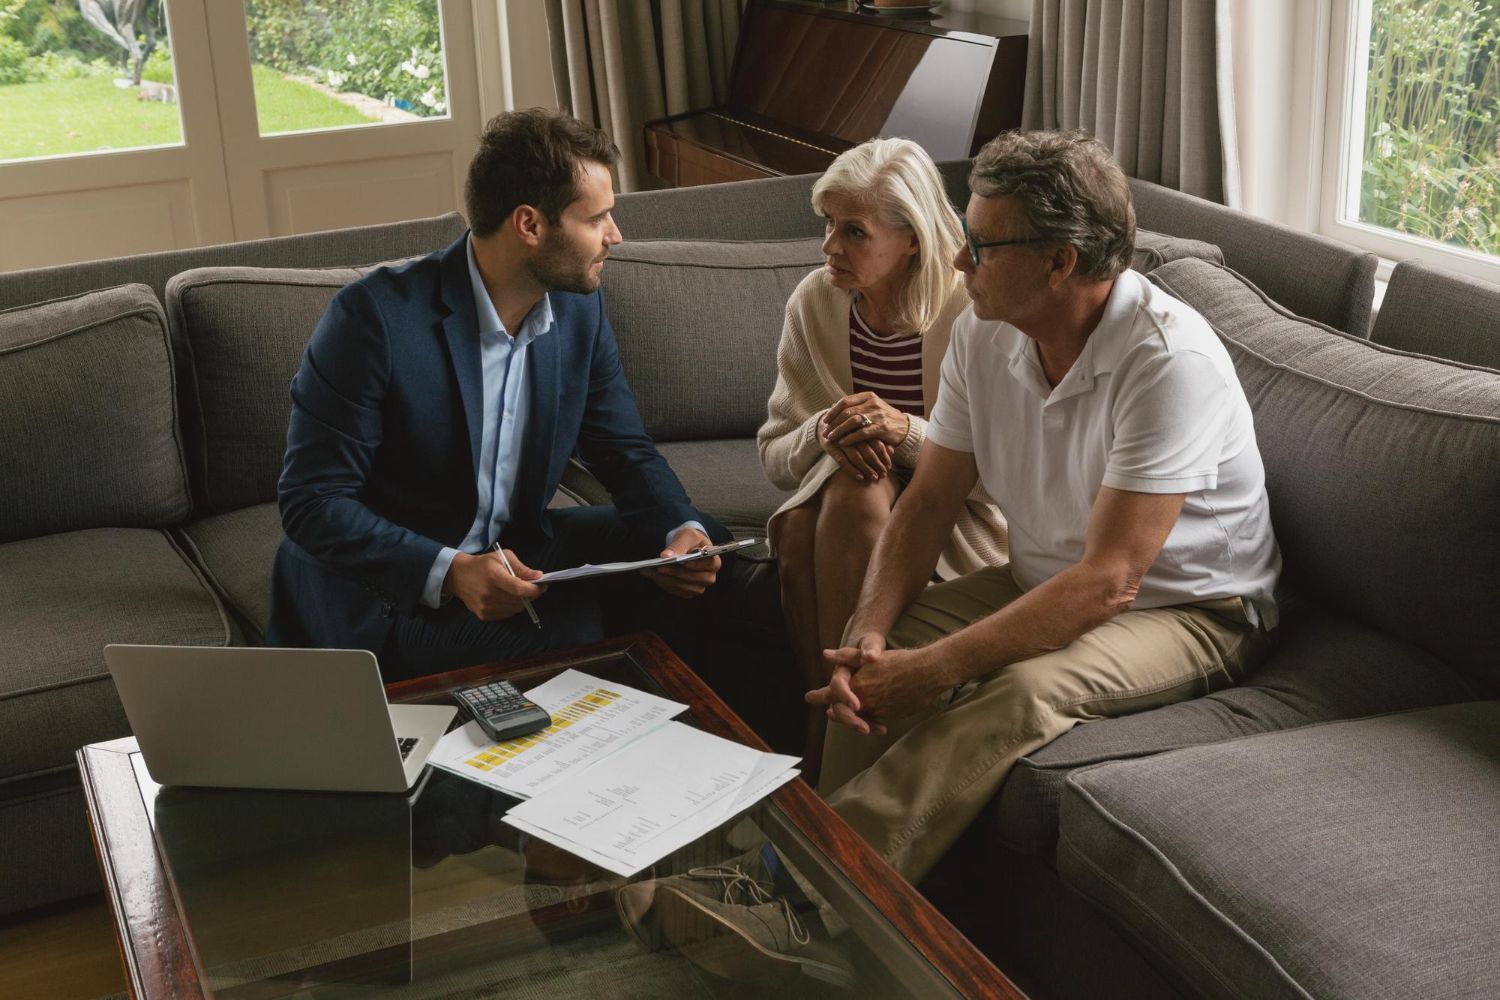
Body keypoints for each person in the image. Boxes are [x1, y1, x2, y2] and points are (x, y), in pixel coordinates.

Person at [619, 130, 1281, 981]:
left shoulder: (1165, 361)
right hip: (1045, 577)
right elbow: (930, 499)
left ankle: (797, 892)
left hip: (1189, 608)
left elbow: (1111, 579)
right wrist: (870, 626)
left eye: (982, 242)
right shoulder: (986, 330)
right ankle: (817, 910)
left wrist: (935, 669)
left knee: (1020, 692)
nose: (959, 257)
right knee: (869, 659)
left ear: (1060, 261)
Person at [266, 109, 729, 680]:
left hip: (515, 549)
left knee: (706, 552)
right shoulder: (375, 318)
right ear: (529, 225)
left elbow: (622, 449)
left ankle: (690, 741)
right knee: (567, 637)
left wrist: (680, 530)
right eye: (598, 218)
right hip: (385, 588)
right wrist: (454, 570)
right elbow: (313, 501)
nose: (615, 236)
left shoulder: (578, 308)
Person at [757, 137, 1007, 769]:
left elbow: (1001, 478)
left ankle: (825, 737)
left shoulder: (971, 312)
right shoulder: (814, 303)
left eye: (854, 232)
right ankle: (844, 727)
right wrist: (824, 432)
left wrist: (905, 433)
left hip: (953, 518)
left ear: (913, 238)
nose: (828, 247)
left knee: (850, 494)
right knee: (840, 493)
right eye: (828, 224)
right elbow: (776, 456)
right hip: (835, 505)